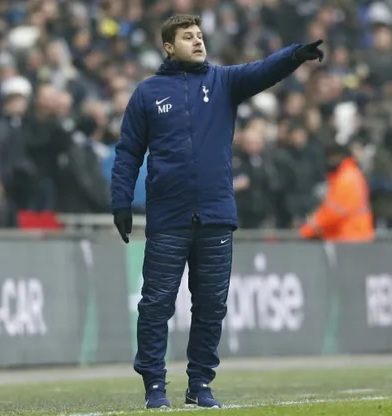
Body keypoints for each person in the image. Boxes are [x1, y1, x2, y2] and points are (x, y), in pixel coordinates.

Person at [110, 14, 324, 409]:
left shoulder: (223, 81)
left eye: (199, 35)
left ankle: (200, 383)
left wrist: (295, 55)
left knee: (211, 306)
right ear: (168, 47)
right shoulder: (147, 93)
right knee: (156, 304)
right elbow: (128, 153)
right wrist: (121, 201)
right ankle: (154, 385)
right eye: (187, 37)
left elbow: (263, 70)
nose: (197, 41)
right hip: (168, 217)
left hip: (216, 215)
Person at [299, 143, 375, 242]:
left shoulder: (345, 179)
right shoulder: (350, 174)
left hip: (349, 237)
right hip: (355, 234)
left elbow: (334, 211)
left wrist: (307, 230)